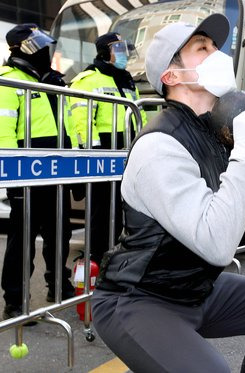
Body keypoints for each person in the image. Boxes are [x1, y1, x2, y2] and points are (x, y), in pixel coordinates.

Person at [90, 14, 245, 373]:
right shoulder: (160, 145)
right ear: (171, 76)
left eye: (215, 47)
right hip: (139, 299)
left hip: (195, 289)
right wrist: (242, 154)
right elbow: (216, 244)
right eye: (202, 48)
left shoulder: (220, 133)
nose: (217, 54)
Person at [0, 24, 75, 321]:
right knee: (22, 238)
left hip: (58, 170)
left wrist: (75, 167)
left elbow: (69, 126)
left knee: (60, 233)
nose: (44, 52)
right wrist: (13, 177)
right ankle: (15, 300)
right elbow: (2, 132)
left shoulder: (54, 81)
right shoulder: (6, 80)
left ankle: (58, 285)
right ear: (20, 48)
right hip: (28, 172)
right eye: (37, 46)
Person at [69, 32, 147, 264]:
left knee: (123, 208)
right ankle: (97, 258)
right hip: (103, 152)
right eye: (119, 49)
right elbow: (82, 120)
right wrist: (95, 155)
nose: (124, 55)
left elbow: (137, 114)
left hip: (127, 150)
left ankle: (117, 257)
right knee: (101, 211)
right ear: (105, 52)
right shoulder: (88, 79)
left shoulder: (125, 78)